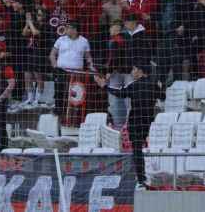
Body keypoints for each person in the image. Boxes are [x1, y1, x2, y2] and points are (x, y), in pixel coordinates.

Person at [94, 61, 157, 189]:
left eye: (134, 69)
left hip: (135, 122)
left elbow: (120, 94)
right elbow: (162, 95)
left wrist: (104, 86)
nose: (132, 72)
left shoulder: (134, 85)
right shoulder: (153, 85)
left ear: (140, 71)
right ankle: (144, 177)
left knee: (137, 150)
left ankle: (141, 178)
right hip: (148, 121)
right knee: (141, 148)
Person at [49, 22, 94, 119]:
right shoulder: (60, 39)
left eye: (69, 28)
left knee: (75, 93)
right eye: (66, 28)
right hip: (61, 70)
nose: (66, 30)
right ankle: (58, 110)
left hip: (77, 73)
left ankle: (75, 115)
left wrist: (91, 66)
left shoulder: (84, 41)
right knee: (59, 91)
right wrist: (55, 65)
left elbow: (88, 57)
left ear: (75, 30)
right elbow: (52, 54)